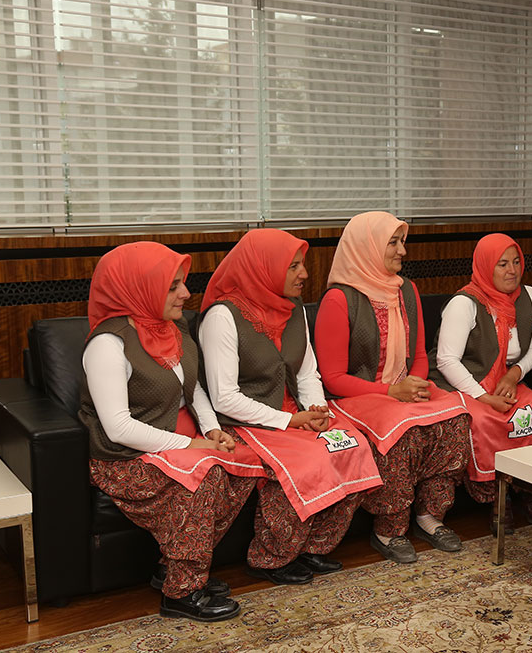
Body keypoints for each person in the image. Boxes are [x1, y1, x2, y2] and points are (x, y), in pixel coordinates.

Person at [79, 241, 267, 622]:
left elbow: (191, 389)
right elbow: (118, 428)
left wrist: (212, 431)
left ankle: (173, 567)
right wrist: (190, 445)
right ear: (140, 288)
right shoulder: (108, 344)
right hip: (123, 458)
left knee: (245, 461)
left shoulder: (174, 327)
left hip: (172, 445)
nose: (186, 293)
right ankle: (182, 592)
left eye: (182, 283)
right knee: (202, 479)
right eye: (173, 286)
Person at [198, 228, 382, 586]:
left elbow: (306, 371)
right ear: (263, 268)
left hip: (294, 415)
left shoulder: (293, 307)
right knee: (309, 460)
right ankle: (270, 558)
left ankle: (312, 546)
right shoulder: (222, 316)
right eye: (294, 266)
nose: (305, 274)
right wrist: (290, 420)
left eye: (302, 265)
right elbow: (224, 397)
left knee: (353, 445)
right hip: (247, 421)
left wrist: (316, 410)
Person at [314, 211, 472, 564]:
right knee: (403, 433)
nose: (403, 251)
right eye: (393, 243)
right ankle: (389, 528)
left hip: (402, 390)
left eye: (402, 242)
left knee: (455, 419)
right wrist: (392, 393)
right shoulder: (339, 299)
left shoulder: (407, 291)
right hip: (356, 396)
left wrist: (414, 384)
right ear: (367, 247)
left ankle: (429, 516)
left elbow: (419, 355)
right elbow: (333, 378)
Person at [430, 233, 532, 535]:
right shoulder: (464, 303)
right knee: (485, 420)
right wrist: (484, 397)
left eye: (516, 262)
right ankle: (497, 500)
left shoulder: (529, 297)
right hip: (463, 384)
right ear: (485, 266)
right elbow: (447, 361)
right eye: (502, 264)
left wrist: (514, 375)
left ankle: (531, 490)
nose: (512, 271)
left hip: (505, 380)